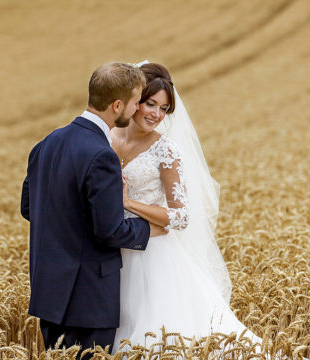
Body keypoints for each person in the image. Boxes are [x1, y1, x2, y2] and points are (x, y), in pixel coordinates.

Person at [110, 62, 261, 352]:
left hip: (151, 256)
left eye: (163, 109)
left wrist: (128, 203)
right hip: (110, 250)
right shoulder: (108, 137)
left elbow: (180, 216)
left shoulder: (165, 150)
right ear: (133, 102)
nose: (155, 114)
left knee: (155, 338)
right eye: (149, 103)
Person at [20, 62, 168, 359]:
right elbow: (109, 230)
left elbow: (29, 207)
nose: (139, 107)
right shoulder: (102, 155)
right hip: (88, 299)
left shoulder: (46, 143)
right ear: (117, 105)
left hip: (49, 293)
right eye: (135, 101)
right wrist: (151, 228)